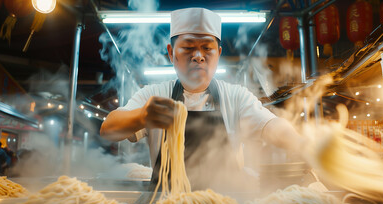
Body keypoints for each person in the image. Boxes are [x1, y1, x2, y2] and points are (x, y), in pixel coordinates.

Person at [100, 8, 303, 190]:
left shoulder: (236, 96)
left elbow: (271, 126)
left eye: (207, 48)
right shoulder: (153, 95)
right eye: (188, 48)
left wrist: (305, 146)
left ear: (218, 53)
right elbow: (108, 129)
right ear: (171, 54)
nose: (198, 55)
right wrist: (143, 115)